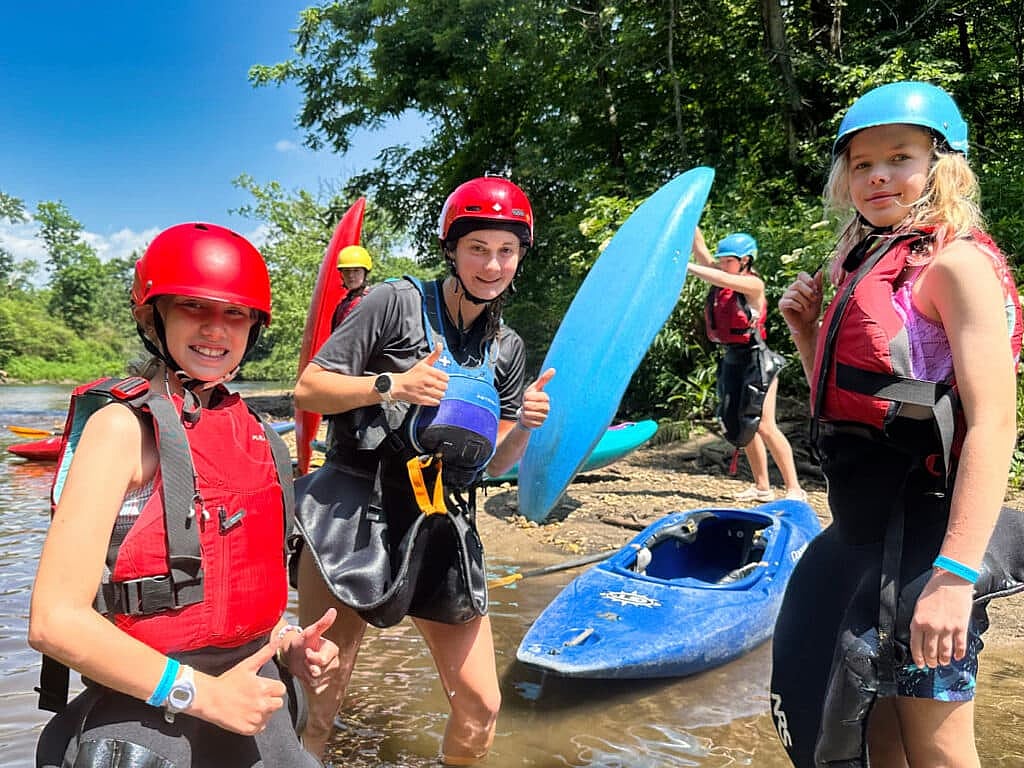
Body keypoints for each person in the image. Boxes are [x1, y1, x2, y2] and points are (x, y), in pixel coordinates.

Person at [771, 81, 1023, 766]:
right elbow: (861, 404)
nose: (878, 175)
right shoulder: (866, 261)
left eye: (900, 157)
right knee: (872, 737)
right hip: (864, 536)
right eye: (862, 164)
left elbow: (994, 423)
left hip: (928, 541)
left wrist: (954, 577)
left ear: (942, 166)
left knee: (937, 748)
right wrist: (807, 334)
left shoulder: (956, 266)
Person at [30, 222, 340, 768]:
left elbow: (233, 586)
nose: (216, 329)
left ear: (254, 326)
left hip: (247, 695)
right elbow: (54, 620)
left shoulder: (259, 436)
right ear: (156, 316)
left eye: (235, 313)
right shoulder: (122, 429)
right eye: (194, 306)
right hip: (149, 707)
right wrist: (205, 695)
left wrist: (288, 643)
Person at [291, 176, 554, 765]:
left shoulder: (507, 348)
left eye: (506, 250)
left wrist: (525, 426)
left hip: (438, 520)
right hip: (351, 510)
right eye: (478, 248)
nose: (492, 264)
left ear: (520, 256)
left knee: (481, 706)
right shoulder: (392, 302)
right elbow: (308, 389)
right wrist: (392, 385)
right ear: (452, 250)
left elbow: (496, 463)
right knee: (321, 703)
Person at [688, 228, 806, 502]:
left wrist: (686, 267)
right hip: (733, 359)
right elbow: (701, 250)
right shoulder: (722, 274)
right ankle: (762, 487)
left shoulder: (753, 285)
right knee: (744, 425)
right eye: (721, 260)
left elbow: (716, 275)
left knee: (764, 425)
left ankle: (794, 489)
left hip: (757, 360)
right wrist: (688, 221)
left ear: (745, 261)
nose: (722, 264)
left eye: (728, 260)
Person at [331, 244, 373, 330]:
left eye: (356, 270)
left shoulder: (373, 301)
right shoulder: (343, 304)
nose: (351, 275)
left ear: (365, 273)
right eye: (346, 271)